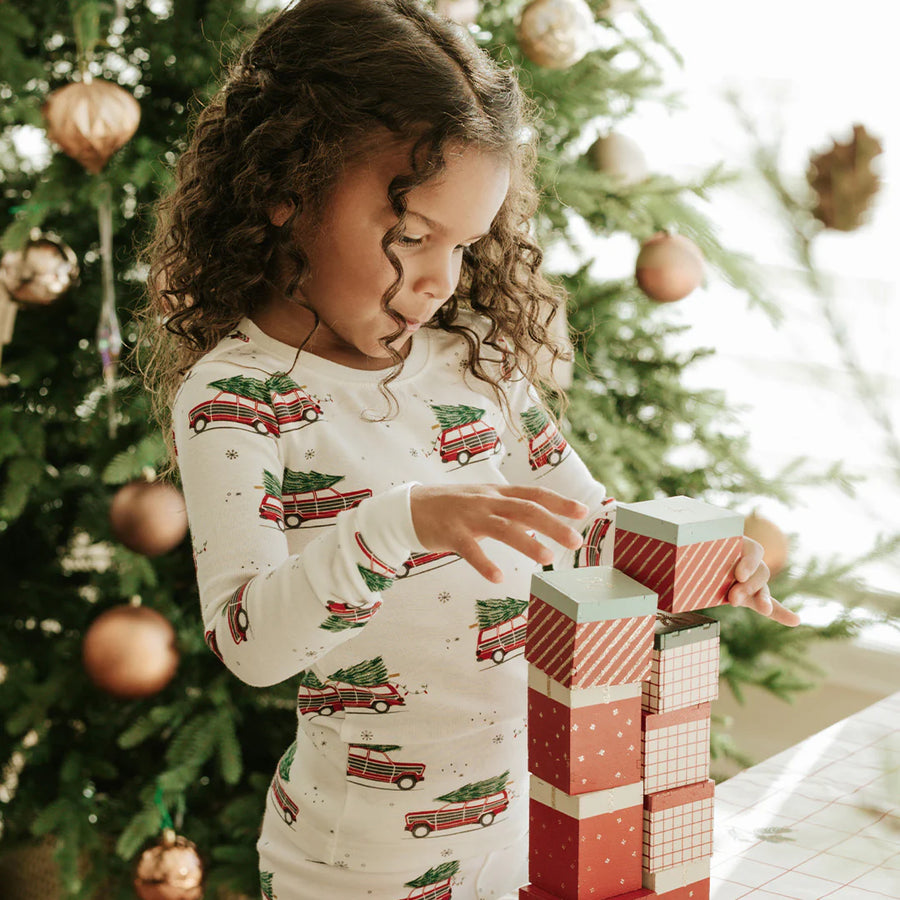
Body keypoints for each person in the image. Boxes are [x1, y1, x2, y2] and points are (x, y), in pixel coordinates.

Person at [137, 0, 800, 896]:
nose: (439, 279)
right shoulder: (237, 402)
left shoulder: (474, 363)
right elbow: (254, 643)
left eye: (463, 246)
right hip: (358, 866)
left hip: (531, 829)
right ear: (283, 191)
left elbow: (582, 528)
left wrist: (706, 561)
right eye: (411, 236)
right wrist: (397, 526)